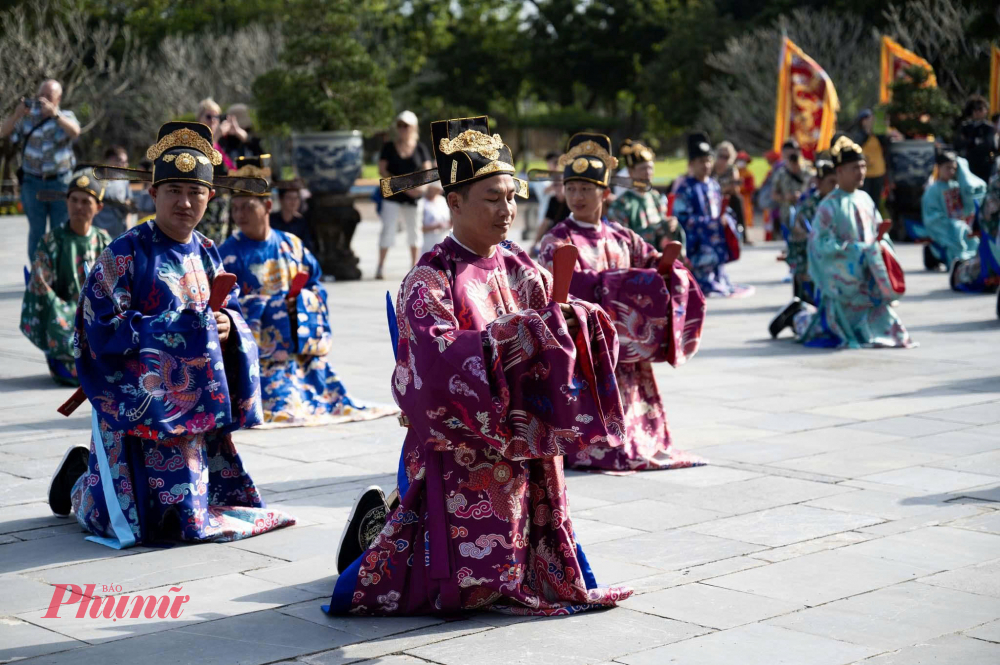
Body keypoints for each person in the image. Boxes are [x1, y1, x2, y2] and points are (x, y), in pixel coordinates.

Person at [328, 115, 631, 616]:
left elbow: (553, 329)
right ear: (454, 202)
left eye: (512, 196)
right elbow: (435, 365)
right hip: (463, 452)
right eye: (493, 197)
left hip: (523, 446)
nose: (507, 209)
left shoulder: (518, 264)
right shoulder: (428, 278)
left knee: (524, 575)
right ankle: (370, 539)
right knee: (456, 590)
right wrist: (521, 336)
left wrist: (574, 323)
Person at [45, 121, 294, 547]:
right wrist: (186, 329)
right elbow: (95, 332)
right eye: (173, 191)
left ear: (209, 197)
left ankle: (88, 473)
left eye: (195, 192)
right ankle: (81, 480)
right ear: (152, 194)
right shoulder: (123, 255)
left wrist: (228, 327)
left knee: (190, 522)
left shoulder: (208, 251)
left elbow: (230, 312)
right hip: (139, 410)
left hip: (193, 411)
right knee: (130, 525)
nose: (184, 202)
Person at [536, 132, 706, 471]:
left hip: (627, 347)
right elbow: (559, 289)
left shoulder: (622, 236)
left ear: (605, 192)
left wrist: (666, 269)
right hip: (588, 347)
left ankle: (640, 437)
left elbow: (653, 262)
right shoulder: (557, 239)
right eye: (571, 189)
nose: (578, 196)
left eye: (586, 189)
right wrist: (622, 286)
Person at [219, 156, 392, 427]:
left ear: (266, 206)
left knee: (329, 395)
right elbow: (223, 307)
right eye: (235, 208)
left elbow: (316, 287)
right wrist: (273, 308)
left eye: (246, 207)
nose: (239, 215)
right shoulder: (226, 255)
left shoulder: (292, 245)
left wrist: (300, 302)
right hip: (258, 357)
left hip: (300, 348)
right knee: (282, 407)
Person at [770, 136, 915, 349]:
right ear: (840, 172)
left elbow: (876, 233)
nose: (861, 172)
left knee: (893, 334)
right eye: (855, 167)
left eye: (863, 166)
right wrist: (856, 250)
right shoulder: (828, 206)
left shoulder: (865, 199)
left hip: (867, 279)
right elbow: (819, 246)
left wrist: (881, 244)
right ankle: (797, 315)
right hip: (844, 285)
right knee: (826, 331)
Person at [20, 171, 112, 385]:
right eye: (74, 200)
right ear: (67, 202)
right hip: (61, 315)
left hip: (95, 315)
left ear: (98, 207)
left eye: (85, 201)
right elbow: (41, 285)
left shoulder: (105, 242)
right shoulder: (51, 241)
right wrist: (68, 313)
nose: (79, 206)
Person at [1, 79, 81, 259]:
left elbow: (76, 132)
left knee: (60, 229)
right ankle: (37, 277)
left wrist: (56, 115)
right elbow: (3, 132)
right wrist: (16, 115)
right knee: (36, 231)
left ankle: (59, 275)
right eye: (40, 95)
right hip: (33, 182)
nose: (43, 99)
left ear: (58, 98)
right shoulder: (28, 118)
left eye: (48, 96)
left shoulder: (66, 116)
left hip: (60, 182)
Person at [673, 132, 753, 297]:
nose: (706, 165)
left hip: (717, 243)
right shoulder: (685, 188)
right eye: (701, 161)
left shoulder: (714, 185)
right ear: (692, 164)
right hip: (698, 245)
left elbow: (726, 211)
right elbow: (681, 218)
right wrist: (711, 222)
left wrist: (726, 219)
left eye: (708, 160)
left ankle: (717, 278)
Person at [375, 110, 432, 279]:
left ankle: (414, 266)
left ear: (413, 127)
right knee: (387, 230)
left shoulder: (420, 148)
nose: (402, 129)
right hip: (393, 195)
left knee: (415, 232)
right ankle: (380, 266)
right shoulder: (389, 147)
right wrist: (403, 186)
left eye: (406, 125)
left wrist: (418, 188)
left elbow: (427, 171)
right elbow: (382, 169)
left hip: (414, 197)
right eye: (400, 125)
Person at [607, 139, 684, 251]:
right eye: (643, 168)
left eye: (650, 168)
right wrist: (656, 231)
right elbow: (622, 240)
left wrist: (671, 225)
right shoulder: (621, 205)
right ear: (631, 172)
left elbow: (665, 225)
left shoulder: (656, 198)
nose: (648, 173)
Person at [921, 149, 986, 280]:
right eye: (947, 168)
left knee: (974, 236)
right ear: (938, 168)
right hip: (947, 229)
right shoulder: (932, 191)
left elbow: (969, 204)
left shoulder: (957, 186)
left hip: (961, 226)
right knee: (960, 233)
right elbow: (931, 217)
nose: (951, 172)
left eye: (954, 168)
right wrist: (954, 224)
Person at [782, 154, 836, 308]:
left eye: (837, 182)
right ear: (818, 183)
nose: (835, 187)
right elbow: (798, 235)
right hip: (810, 257)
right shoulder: (809, 206)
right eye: (831, 182)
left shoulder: (840, 204)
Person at [195, 98, 239, 244]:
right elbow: (201, 165)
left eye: (217, 117)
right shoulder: (195, 141)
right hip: (206, 206)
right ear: (199, 118)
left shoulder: (221, 143)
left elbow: (232, 168)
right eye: (208, 116)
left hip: (223, 205)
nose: (213, 120)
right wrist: (217, 136)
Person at [953, 163, 1000, 292]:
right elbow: (989, 214)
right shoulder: (996, 184)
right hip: (993, 232)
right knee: (984, 273)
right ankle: (959, 271)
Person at [771, 141, 811, 244]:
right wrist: (786, 197)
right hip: (787, 215)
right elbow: (773, 195)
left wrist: (803, 196)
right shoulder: (780, 173)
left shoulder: (808, 171)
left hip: (807, 215)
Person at [530, 151, 571, 251]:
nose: (556, 165)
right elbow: (545, 190)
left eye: (558, 162)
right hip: (547, 215)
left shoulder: (570, 200)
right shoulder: (543, 179)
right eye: (554, 162)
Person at [851, 109, 890, 212]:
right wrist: (867, 132)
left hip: (879, 173)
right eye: (869, 118)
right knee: (864, 202)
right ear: (863, 121)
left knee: (875, 202)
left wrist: (885, 128)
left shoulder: (878, 135)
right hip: (864, 174)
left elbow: (887, 146)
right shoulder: (859, 135)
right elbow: (856, 146)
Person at [92, 146, 133, 238]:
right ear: (110, 160)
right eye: (121, 161)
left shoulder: (124, 181)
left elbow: (128, 205)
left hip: (117, 233)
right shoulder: (94, 179)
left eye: (126, 162)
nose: (125, 165)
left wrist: (129, 227)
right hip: (98, 233)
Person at [955, 96, 998, 183]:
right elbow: (958, 143)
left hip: (985, 164)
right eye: (975, 109)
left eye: (980, 109)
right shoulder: (965, 127)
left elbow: (987, 145)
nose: (977, 112)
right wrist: (974, 142)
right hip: (968, 163)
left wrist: (970, 142)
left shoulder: (988, 128)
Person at [269, 179, 314, 253]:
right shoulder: (271, 221)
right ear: (281, 199)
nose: (293, 202)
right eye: (289, 198)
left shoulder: (302, 222)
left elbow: (307, 247)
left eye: (296, 198)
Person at [420, 182, 450, 254]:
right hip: (427, 244)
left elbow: (448, 220)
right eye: (435, 189)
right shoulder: (421, 202)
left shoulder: (442, 200)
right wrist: (434, 227)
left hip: (443, 242)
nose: (439, 191)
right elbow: (417, 228)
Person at [735, 151, 756, 237]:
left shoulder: (748, 174)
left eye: (742, 160)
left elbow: (751, 187)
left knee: (745, 215)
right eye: (739, 160)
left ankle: (745, 235)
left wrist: (741, 188)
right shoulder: (734, 172)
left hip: (745, 199)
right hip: (735, 197)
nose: (741, 162)